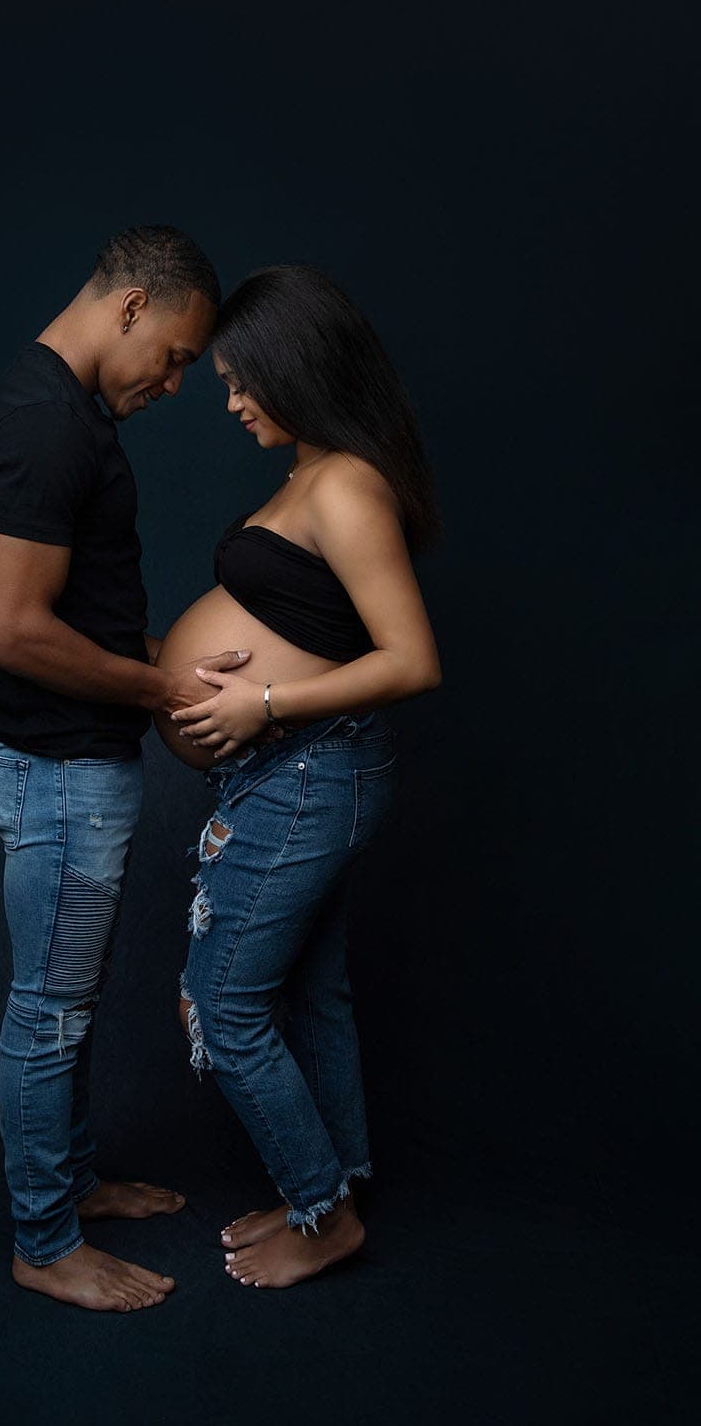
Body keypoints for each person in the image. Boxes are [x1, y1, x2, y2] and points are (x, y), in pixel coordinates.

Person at [0, 225, 255, 1312]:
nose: (176, 382)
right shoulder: (44, 425)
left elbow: (76, 609)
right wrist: (167, 692)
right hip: (54, 764)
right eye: (174, 355)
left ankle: (72, 1183)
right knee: (49, 1009)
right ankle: (43, 1240)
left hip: (70, 755)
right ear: (129, 307)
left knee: (67, 1001)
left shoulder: (66, 412)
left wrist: (163, 657)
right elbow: (17, 633)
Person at [152, 264, 442, 1289]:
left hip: (310, 771)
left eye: (242, 382)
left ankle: (325, 1216)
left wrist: (258, 704)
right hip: (288, 774)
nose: (229, 403)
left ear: (298, 370)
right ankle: (331, 1190)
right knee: (311, 996)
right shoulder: (311, 472)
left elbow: (410, 660)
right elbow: (298, 627)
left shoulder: (348, 484)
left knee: (223, 1006)